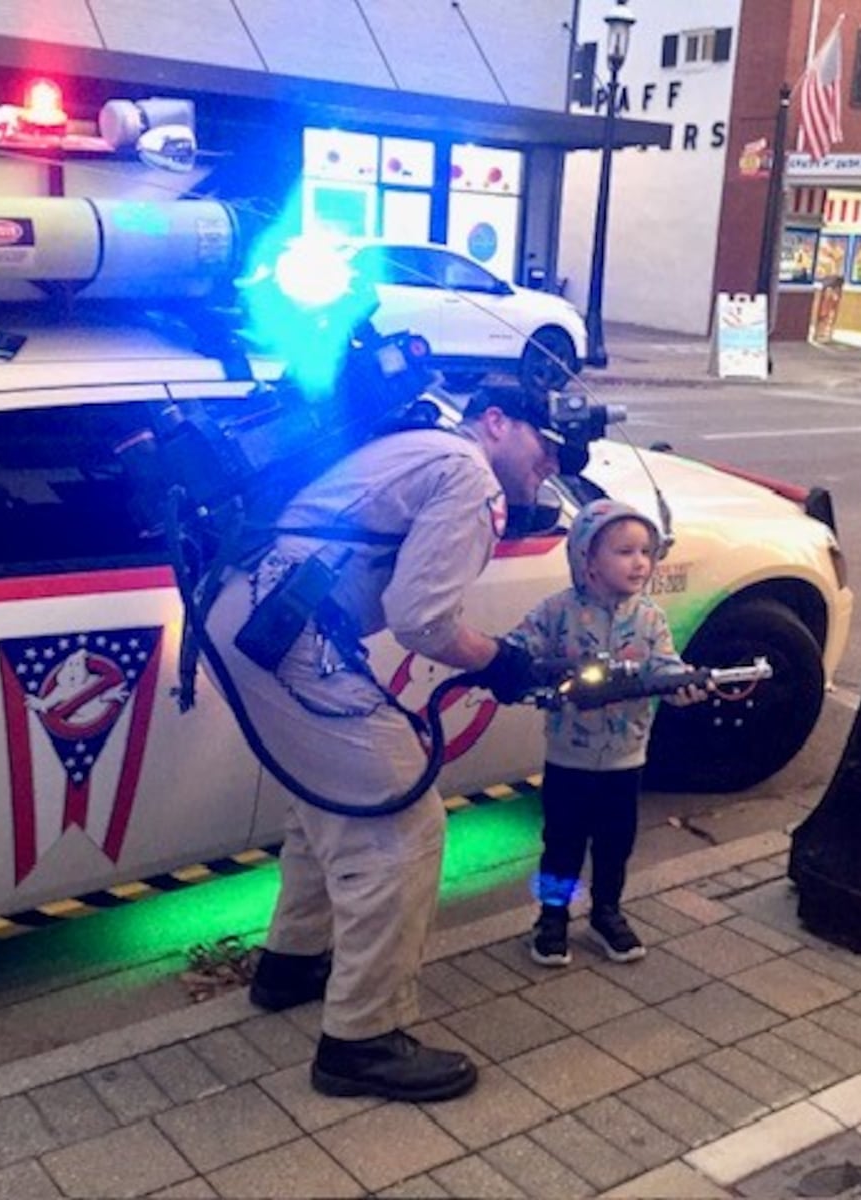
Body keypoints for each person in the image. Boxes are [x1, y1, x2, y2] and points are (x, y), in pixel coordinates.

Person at [203, 381, 559, 1103]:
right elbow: (420, 618)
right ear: (496, 422)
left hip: (250, 617)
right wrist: (502, 660)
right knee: (402, 825)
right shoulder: (468, 474)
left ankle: (292, 965)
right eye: (545, 445)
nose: (551, 465)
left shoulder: (414, 443)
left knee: (330, 802)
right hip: (286, 632)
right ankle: (361, 1041)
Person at [504, 499, 703, 967]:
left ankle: (607, 911)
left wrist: (683, 686)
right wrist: (520, 667)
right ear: (587, 559)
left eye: (646, 552)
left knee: (616, 843)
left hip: (626, 759)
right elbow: (518, 648)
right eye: (624, 551)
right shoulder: (556, 611)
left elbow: (665, 667)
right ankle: (551, 917)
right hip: (568, 758)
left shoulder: (650, 618)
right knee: (562, 842)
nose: (640, 563)